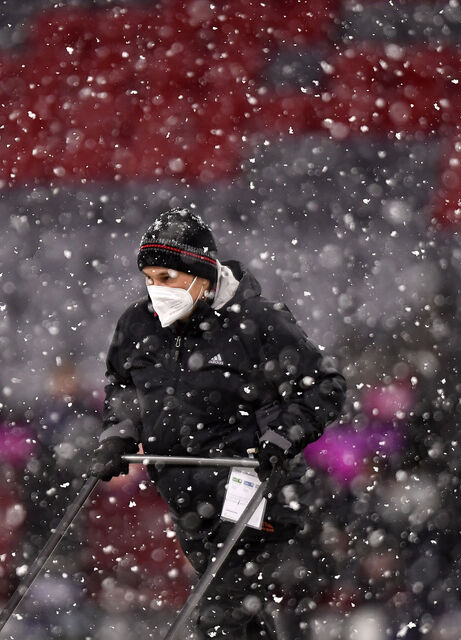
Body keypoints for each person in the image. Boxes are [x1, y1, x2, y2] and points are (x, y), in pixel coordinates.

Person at [89, 208, 347, 639]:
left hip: (256, 495)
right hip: (189, 503)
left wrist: (282, 437)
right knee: (241, 623)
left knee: (216, 620)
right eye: (149, 278)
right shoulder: (136, 325)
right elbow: (124, 387)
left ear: (204, 277)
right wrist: (119, 434)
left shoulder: (259, 323)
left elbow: (324, 385)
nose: (156, 290)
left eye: (168, 278)